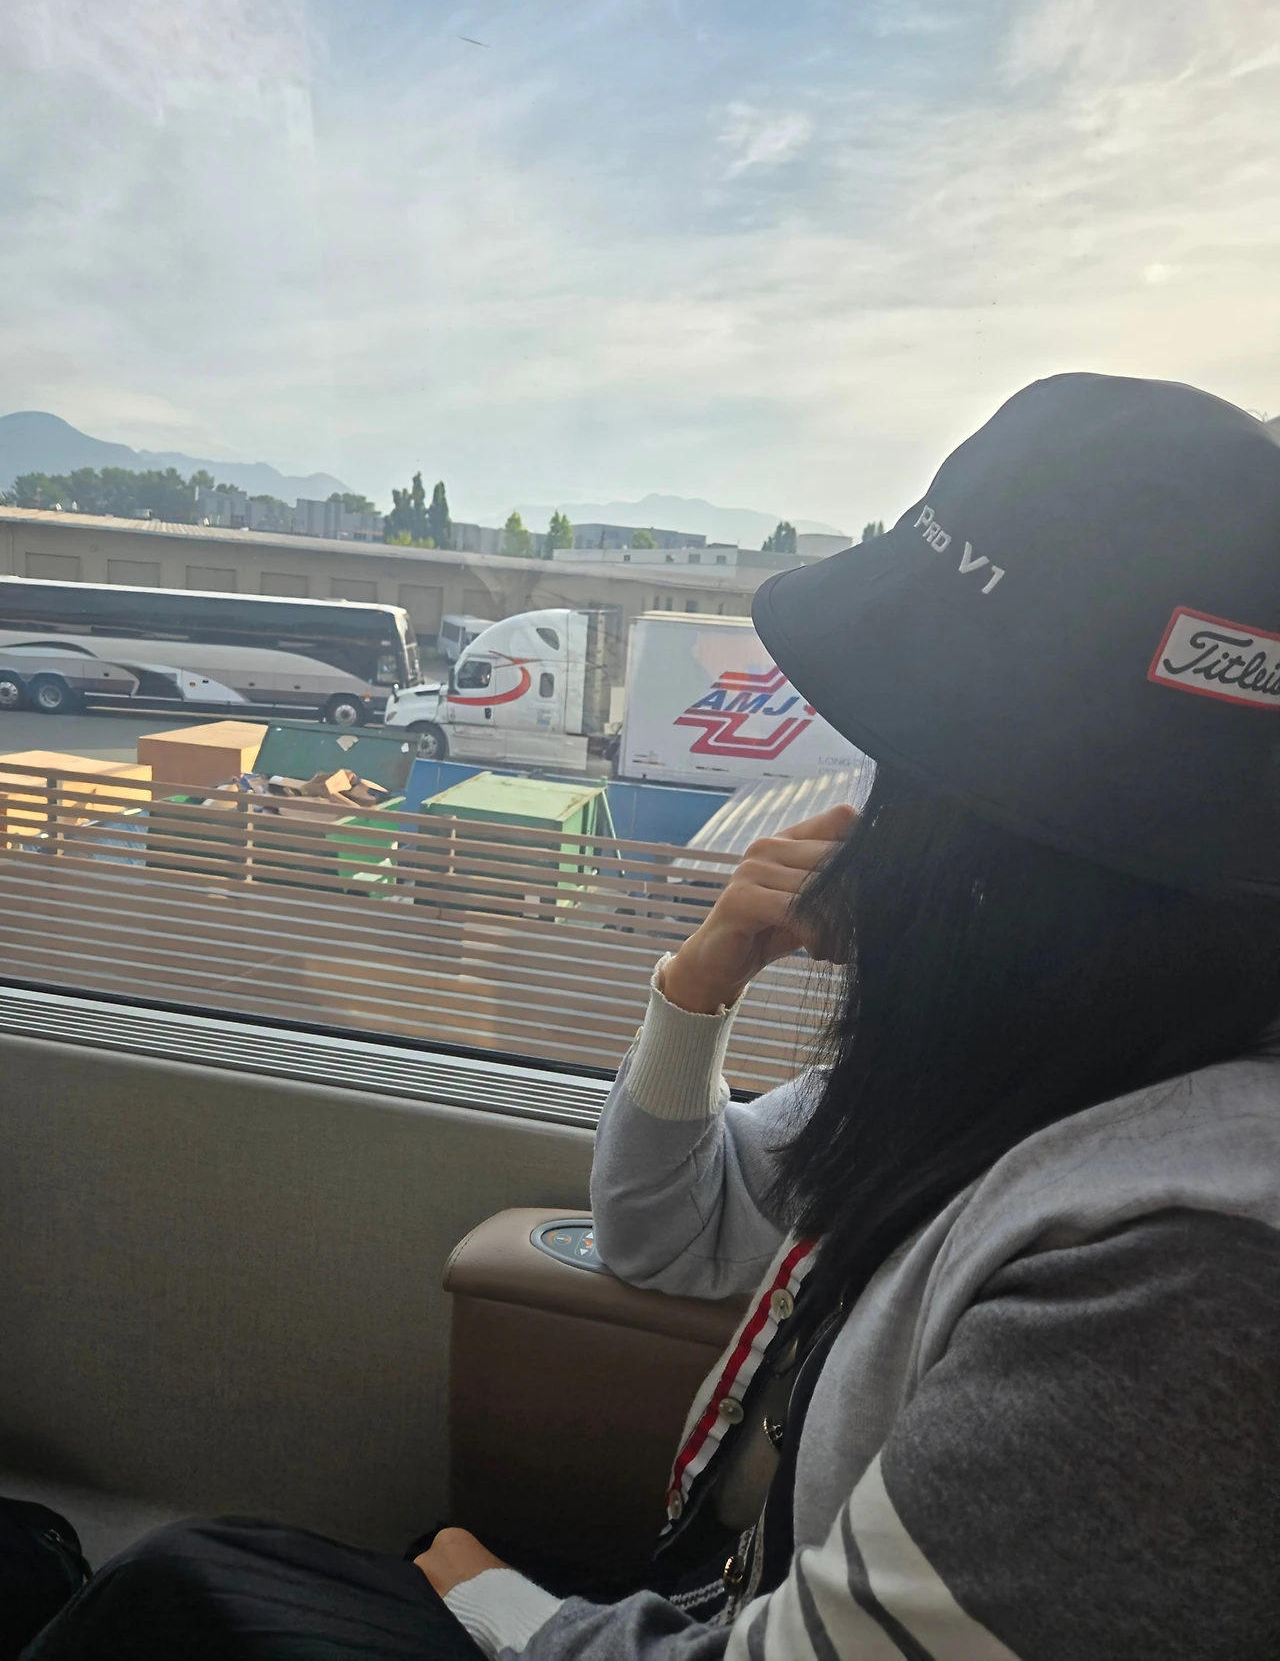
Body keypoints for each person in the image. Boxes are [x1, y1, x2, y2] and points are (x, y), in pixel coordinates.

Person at [23, 372, 1280, 1660]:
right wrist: (697, 988)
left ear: (1023, 859)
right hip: (719, 1601)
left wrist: (494, 1600)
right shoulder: (1029, 1077)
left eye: (899, 774)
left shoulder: (1186, 1274)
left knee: (187, 1589)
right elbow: (664, 1235)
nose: (861, 817)